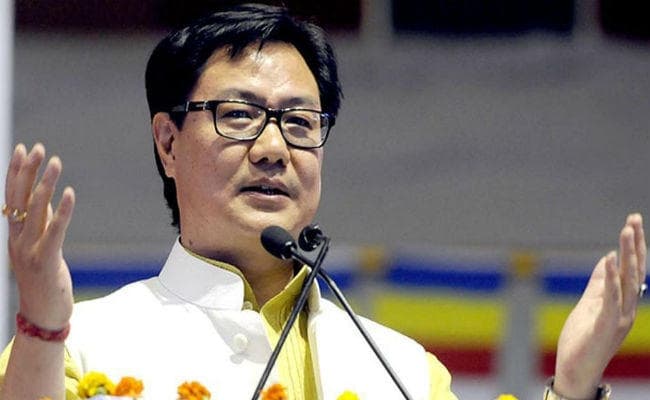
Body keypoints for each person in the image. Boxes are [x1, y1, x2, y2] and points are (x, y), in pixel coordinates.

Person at [0, 3, 646, 400]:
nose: (273, 148)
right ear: (169, 143)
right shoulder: (77, 345)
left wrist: (573, 385)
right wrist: (43, 320)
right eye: (239, 115)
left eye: (300, 123)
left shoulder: (403, 373)